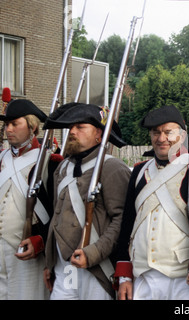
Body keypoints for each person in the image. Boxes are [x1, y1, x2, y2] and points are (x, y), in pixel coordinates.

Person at [114, 104, 189, 300]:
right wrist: (124, 274)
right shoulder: (139, 172)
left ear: (182, 136)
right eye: (155, 132)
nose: (161, 139)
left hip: (186, 279)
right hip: (142, 276)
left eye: (168, 132)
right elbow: (127, 224)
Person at [42, 103, 131, 300]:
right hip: (65, 267)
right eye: (71, 127)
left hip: (96, 268)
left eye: (80, 127)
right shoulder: (63, 167)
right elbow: (55, 218)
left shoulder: (112, 168)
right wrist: (50, 262)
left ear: (98, 133)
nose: (72, 131)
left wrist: (93, 252)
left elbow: (122, 221)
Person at [0, 99, 61, 299]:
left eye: (14, 124)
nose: (8, 129)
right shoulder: (2, 159)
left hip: (28, 251)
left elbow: (58, 212)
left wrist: (41, 240)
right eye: (6, 124)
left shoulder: (50, 163)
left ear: (32, 126)